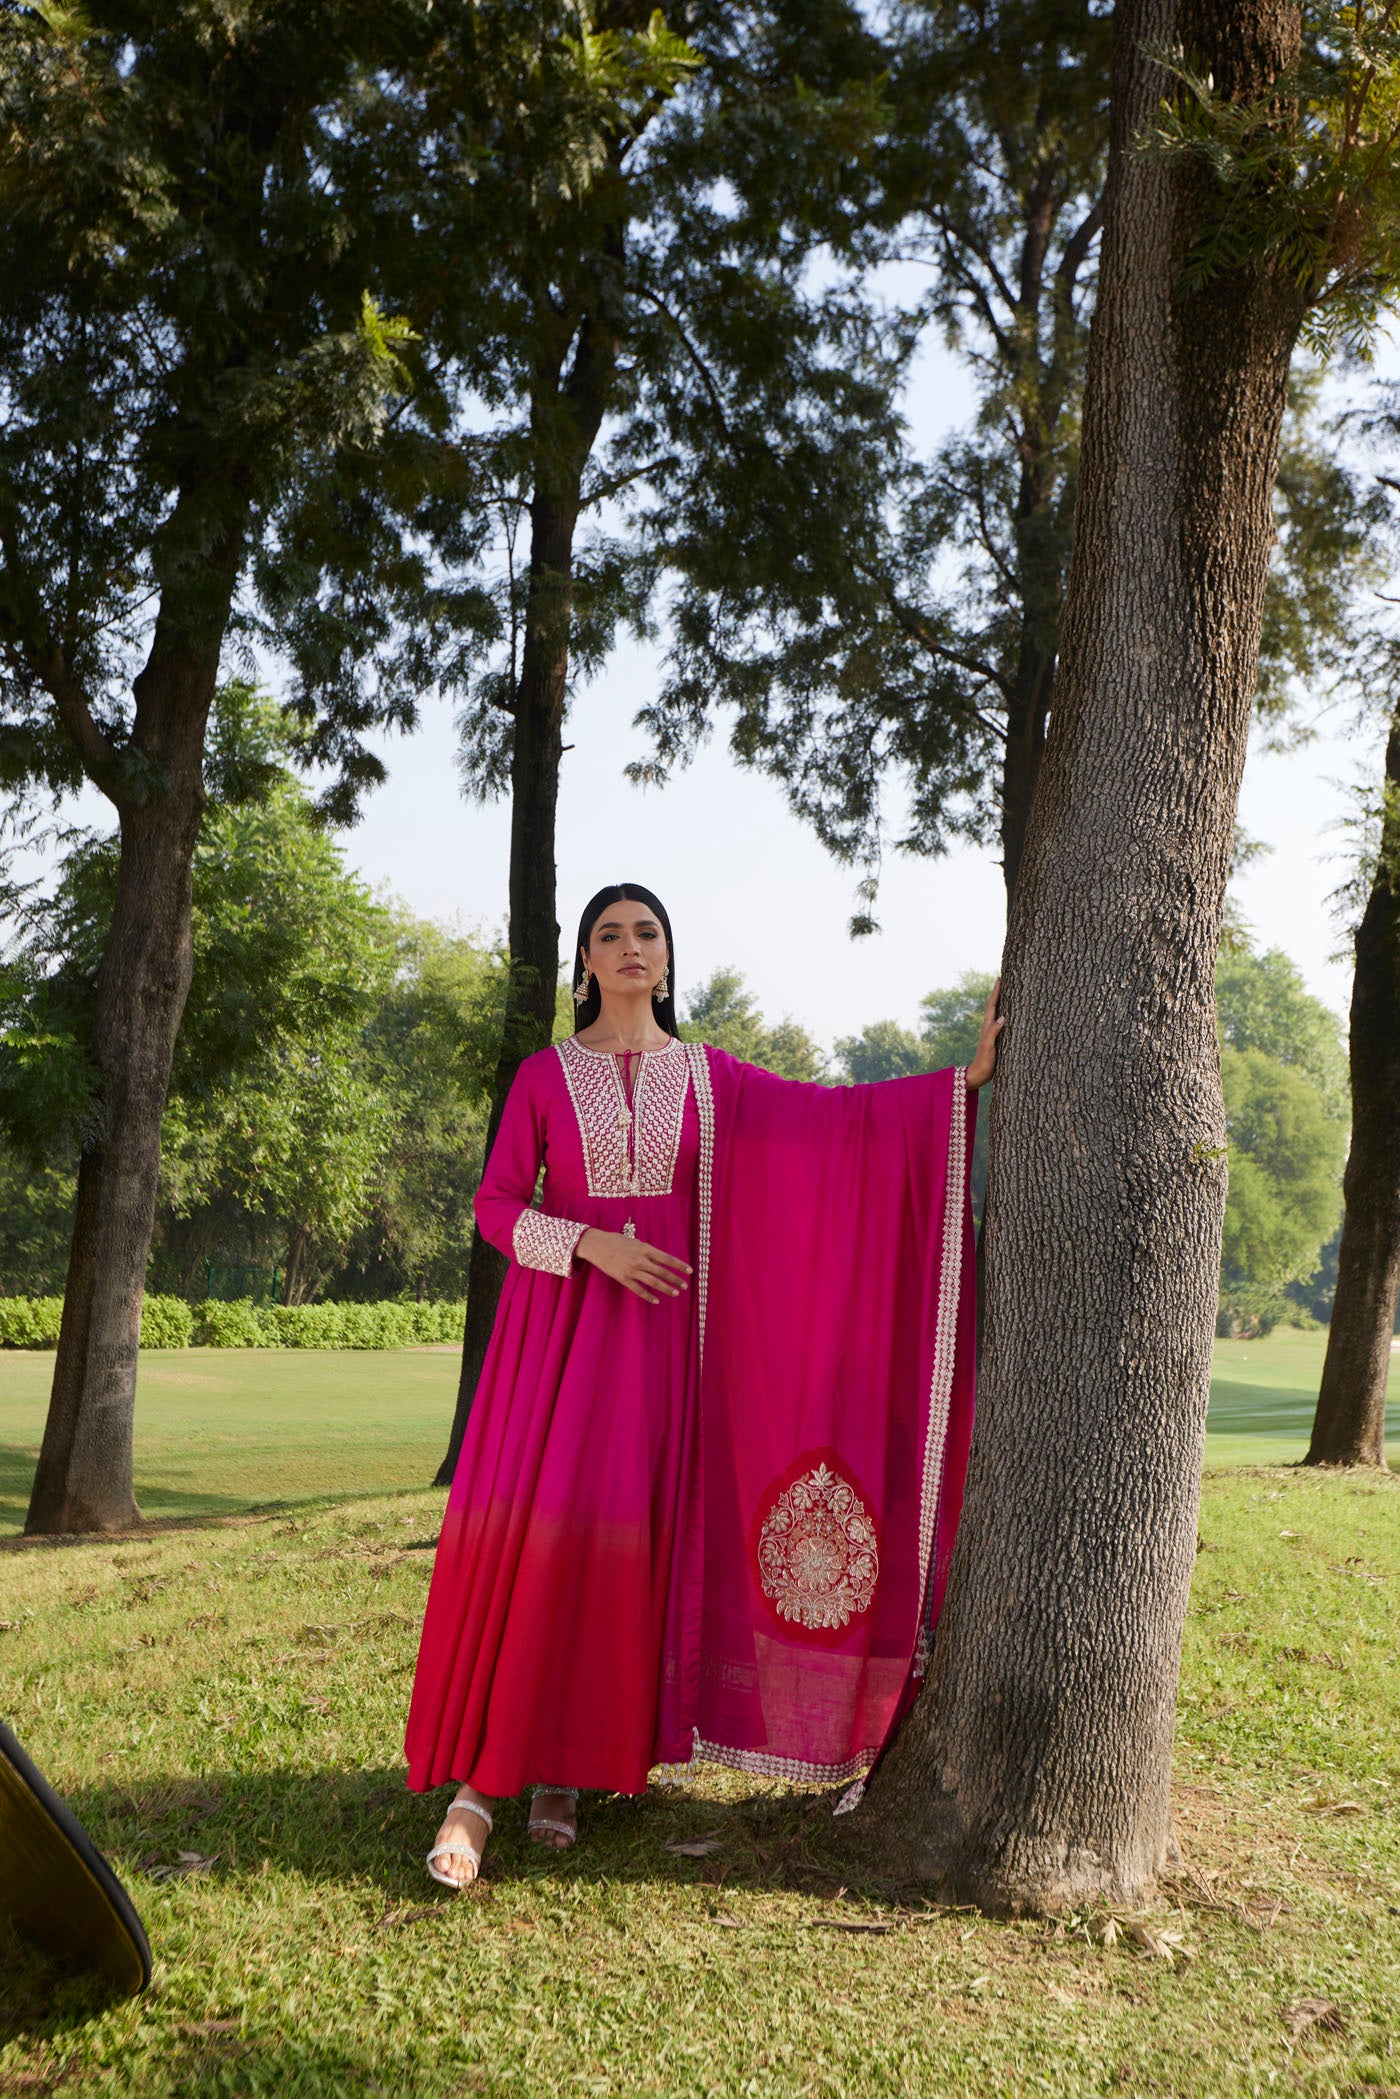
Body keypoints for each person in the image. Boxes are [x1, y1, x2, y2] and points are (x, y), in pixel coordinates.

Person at [406, 883, 1002, 1888]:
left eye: (647, 932)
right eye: (609, 934)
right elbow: (495, 1207)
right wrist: (590, 1242)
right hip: (558, 1351)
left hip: (670, 1360)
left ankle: (569, 1769)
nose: (630, 947)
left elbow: (831, 1127)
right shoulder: (545, 1077)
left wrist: (956, 1084)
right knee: (544, 1547)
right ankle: (477, 1789)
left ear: (668, 959)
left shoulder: (710, 1078)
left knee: (630, 1557)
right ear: (584, 963)